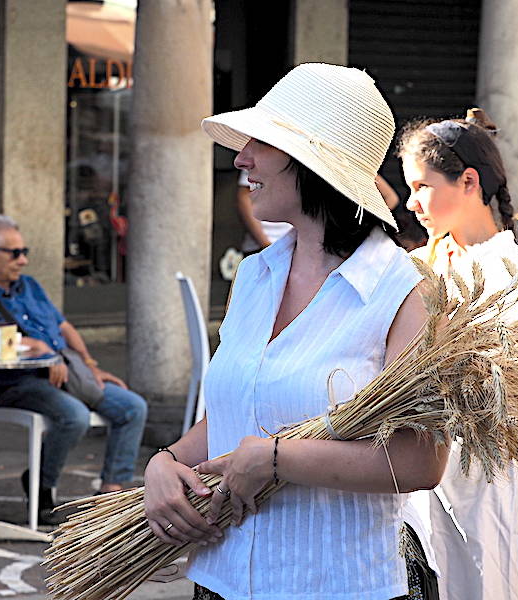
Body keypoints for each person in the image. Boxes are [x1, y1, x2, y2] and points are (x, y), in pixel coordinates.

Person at [143, 63, 449, 600]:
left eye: (261, 141)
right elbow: (236, 414)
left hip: (342, 582)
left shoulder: (406, 293)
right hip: (224, 578)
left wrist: (276, 458)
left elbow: (420, 461)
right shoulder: (255, 276)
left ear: (310, 163)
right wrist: (165, 462)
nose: (241, 158)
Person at [397, 116, 518, 600]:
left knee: (481, 582)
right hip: (405, 461)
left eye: (422, 186)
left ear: (469, 181)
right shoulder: (418, 264)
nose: (411, 202)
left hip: (478, 469)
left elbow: (487, 372)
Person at [0, 213, 147, 526]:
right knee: (73, 416)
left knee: (132, 407)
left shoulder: (29, 286)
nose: (23, 260)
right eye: (15, 253)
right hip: (20, 383)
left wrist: (89, 365)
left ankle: (110, 492)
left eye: (25, 252)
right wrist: (34, 346)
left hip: (67, 374)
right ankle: (41, 484)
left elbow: (64, 326)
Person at [236, 168, 293, 253]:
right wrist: (265, 244)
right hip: (262, 246)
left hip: (299, 247)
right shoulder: (256, 157)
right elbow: (246, 197)